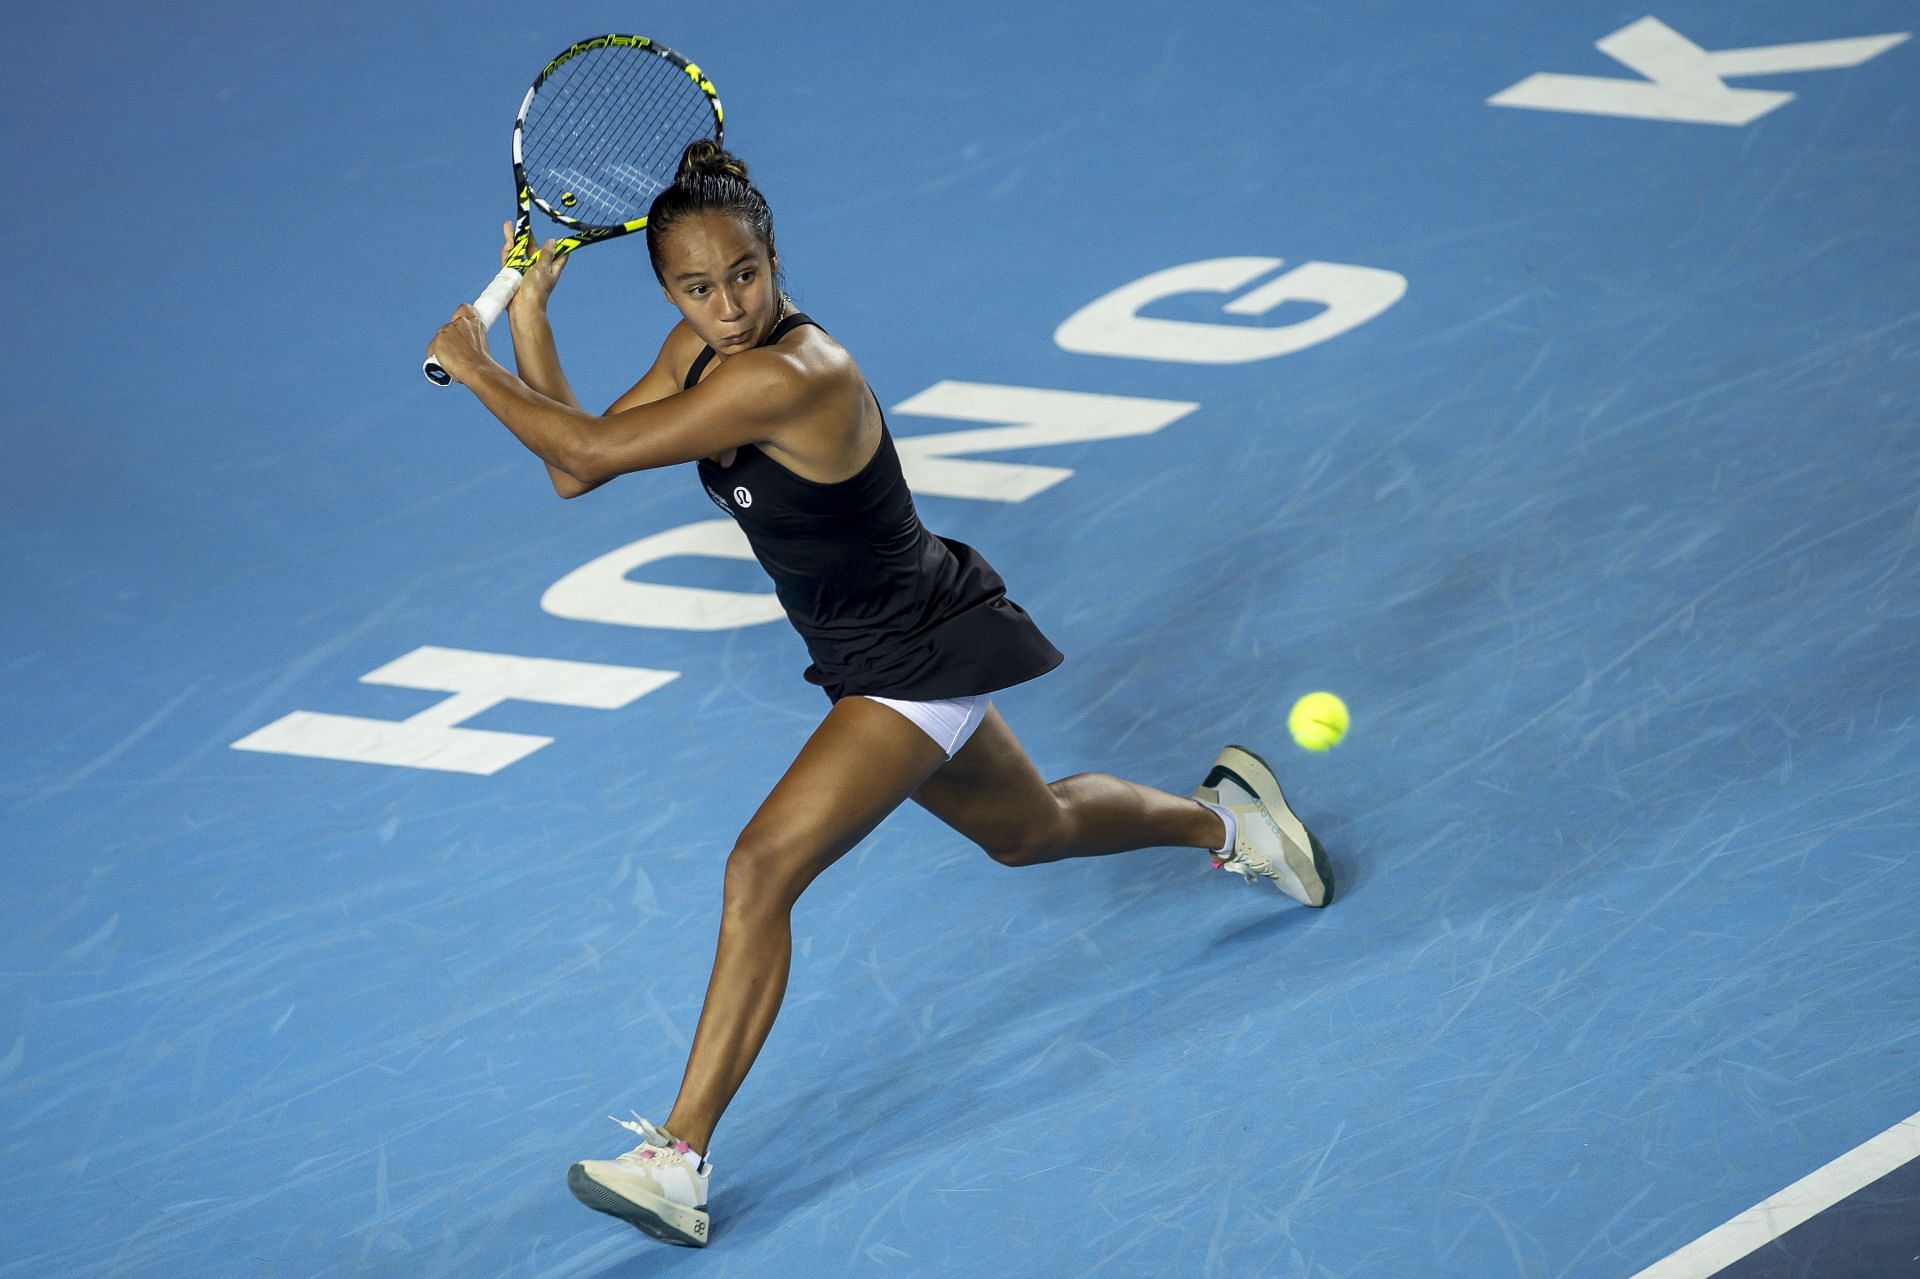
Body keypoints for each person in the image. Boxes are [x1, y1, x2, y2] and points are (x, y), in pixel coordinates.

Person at [425, 140, 1334, 1249]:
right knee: (1029, 828)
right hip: (879, 652)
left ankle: (678, 1157)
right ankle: (1235, 819)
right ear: (668, 290)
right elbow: (577, 463)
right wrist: (531, 329)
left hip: (913, 652)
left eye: (745, 274)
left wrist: (475, 366)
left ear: (773, 255)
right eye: (697, 287)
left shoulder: (792, 372)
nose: (728, 303)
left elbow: (583, 446)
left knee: (759, 870)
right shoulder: (704, 350)